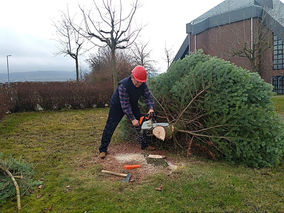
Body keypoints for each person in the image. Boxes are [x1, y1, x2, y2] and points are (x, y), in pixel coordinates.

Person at [98, 65, 155, 159]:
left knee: (142, 123)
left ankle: (145, 145)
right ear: (132, 77)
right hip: (117, 106)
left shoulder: (143, 85)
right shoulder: (123, 86)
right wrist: (132, 119)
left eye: (140, 82)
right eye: (137, 81)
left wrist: (151, 108)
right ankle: (103, 149)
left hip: (132, 104)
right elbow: (125, 106)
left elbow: (148, 97)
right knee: (110, 126)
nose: (138, 84)